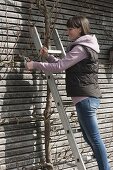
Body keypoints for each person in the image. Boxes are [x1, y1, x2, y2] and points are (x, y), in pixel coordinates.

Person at [26, 15, 110, 170]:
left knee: (95, 139)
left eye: (70, 29)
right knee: (89, 137)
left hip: (85, 99)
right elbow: (63, 63)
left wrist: (35, 64)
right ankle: (101, 159)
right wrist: (48, 57)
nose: (67, 32)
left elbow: (60, 67)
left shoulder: (81, 48)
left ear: (79, 29)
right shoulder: (85, 47)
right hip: (86, 98)